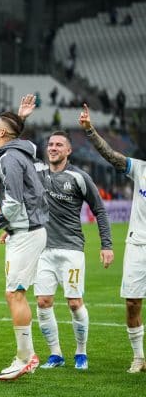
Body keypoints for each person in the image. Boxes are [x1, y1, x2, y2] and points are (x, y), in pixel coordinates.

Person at [17, 96, 114, 370]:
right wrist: (22, 118)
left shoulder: (80, 178)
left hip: (71, 249)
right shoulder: (36, 171)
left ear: (69, 151)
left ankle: (81, 352)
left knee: (74, 303)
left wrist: (106, 244)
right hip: (43, 251)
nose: (53, 148)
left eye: (59, 145)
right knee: (44, 302)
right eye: (50, 145)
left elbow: (100, 211)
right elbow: (15, 147)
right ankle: (56, 354)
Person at [0, 103, 48, 381]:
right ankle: (26, 355)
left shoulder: (9, 159)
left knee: (14, 293)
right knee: (14, 293)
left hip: (27, 231)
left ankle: (25, 357)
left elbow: (15, 201)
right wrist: (11, 227)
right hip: (24, 229)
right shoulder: (17, 153)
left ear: (3, 133)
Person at [79, 104, 146, 373]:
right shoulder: (141, 169)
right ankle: (139, 357)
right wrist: (91, 131)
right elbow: (112, 156)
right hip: (138, 244)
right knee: (131, 302)